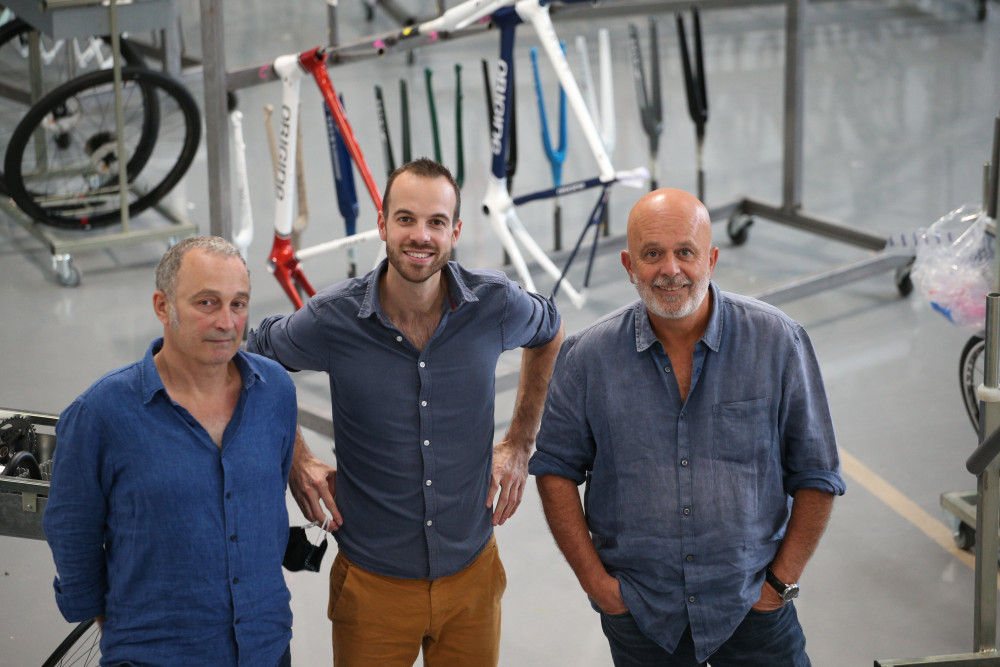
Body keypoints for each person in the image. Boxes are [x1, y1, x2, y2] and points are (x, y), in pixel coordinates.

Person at [247, 157, 564, 666]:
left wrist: (521, 442)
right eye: (406, 219)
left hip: (472, 578)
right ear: (382, 224)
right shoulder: (333, 319)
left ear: (455, 231)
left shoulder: (495, 305)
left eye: (437, 222)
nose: (421, 236)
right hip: (373, 586)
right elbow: (253, 356)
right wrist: (296, 456)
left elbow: (549, 333)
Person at [529, 188, 846, 666]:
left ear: (712, 259)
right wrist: (598, 585)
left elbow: (818, 472)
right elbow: (555, 469)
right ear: (628, 264)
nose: (670, 269)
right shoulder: (588, 357)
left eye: (686, 252)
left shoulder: (777, 341)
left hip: (753, 611)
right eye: (652, 254)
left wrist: (779, 584)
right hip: (643, 617)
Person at [43, 236, 297, 667]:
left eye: (239, 304)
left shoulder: (275, 392)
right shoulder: (101, 414)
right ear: (163, 307)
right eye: (207, 303)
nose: (227, 322)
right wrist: (126, 630)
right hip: (156, 655)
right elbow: (73, 534)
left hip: (266, 648)